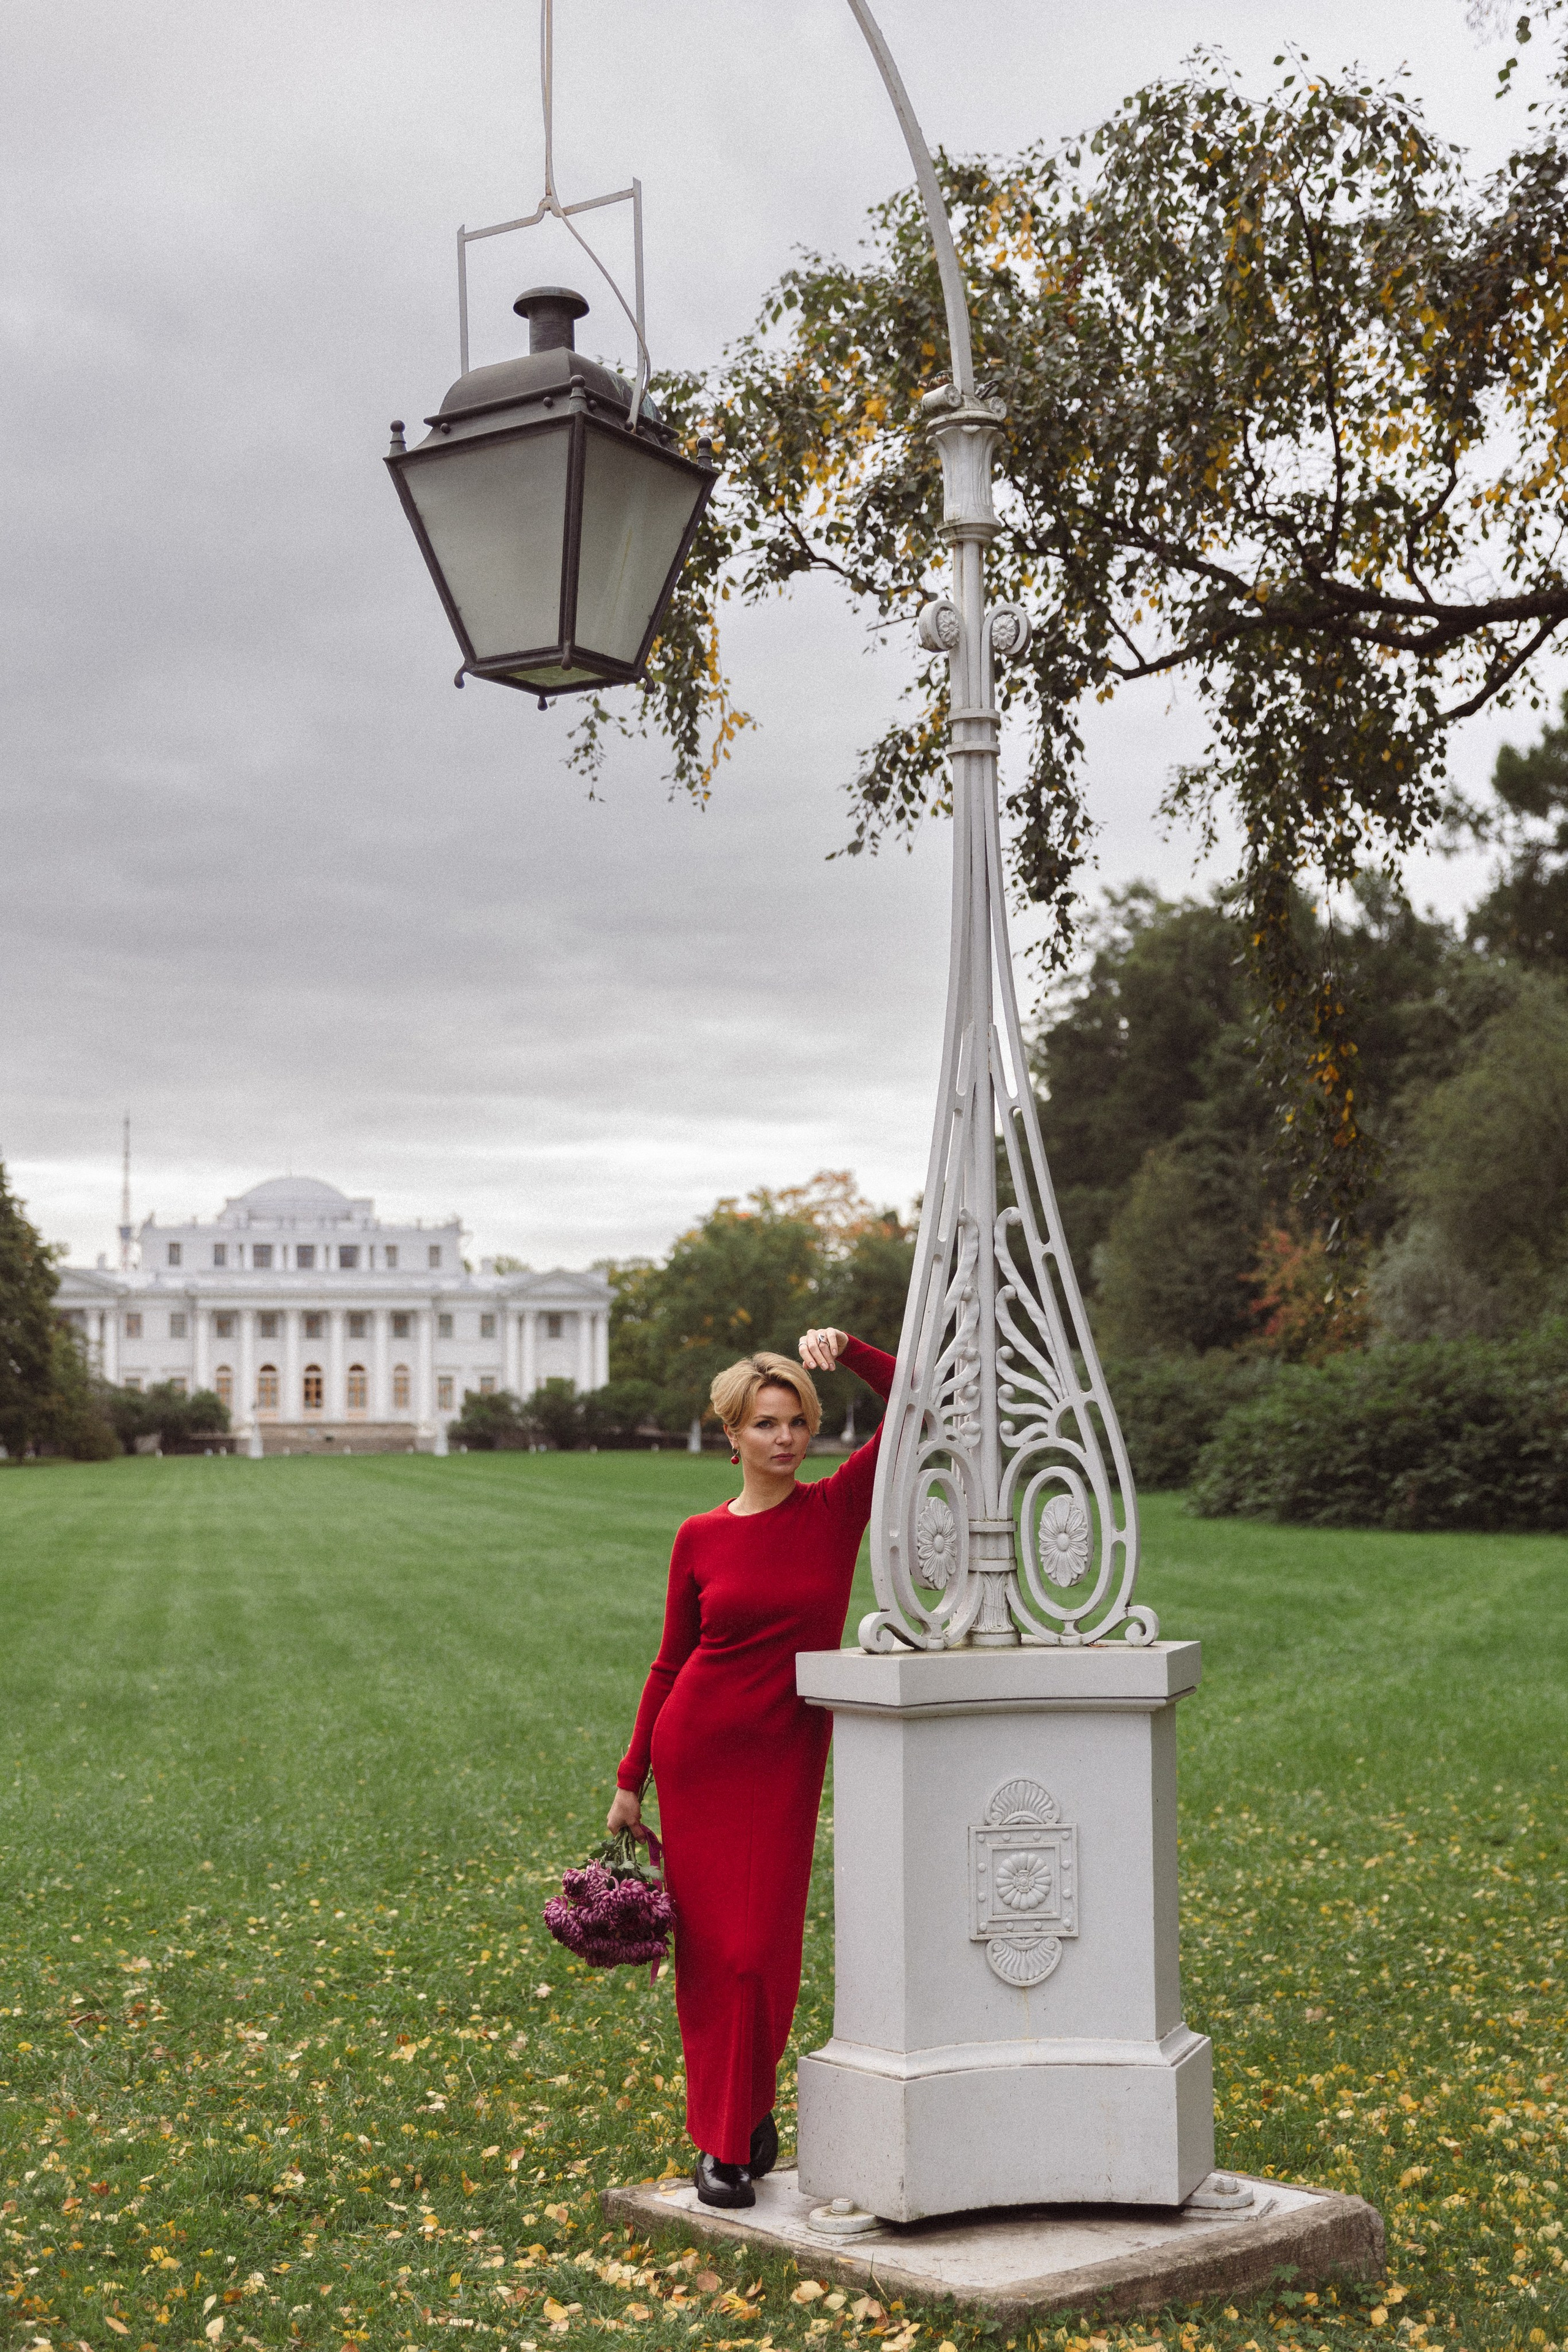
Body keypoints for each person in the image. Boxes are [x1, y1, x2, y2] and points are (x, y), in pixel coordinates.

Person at [606, 1325, 897, 2209]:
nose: (785, 1439)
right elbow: (669, 1661)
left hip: (783, 1757)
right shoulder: (699, 1536)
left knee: (763, 1955)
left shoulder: (835, 1507)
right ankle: (723, 2143)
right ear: (731, 1435)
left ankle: (748, 2109)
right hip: (697, 1753)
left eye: (798, 1423)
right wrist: (631, 1780)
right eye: (766, 1423)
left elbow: (924, 1401)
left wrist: (849, 1349)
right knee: (716, 1958)